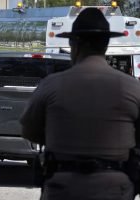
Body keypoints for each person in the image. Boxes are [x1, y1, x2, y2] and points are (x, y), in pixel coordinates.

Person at [20, 8, 140, 200]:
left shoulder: (51, 85)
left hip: (63, 187)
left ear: (74, 43)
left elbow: (29, 130)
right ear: (106, 44)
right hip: (114, 188)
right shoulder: (132, 88)